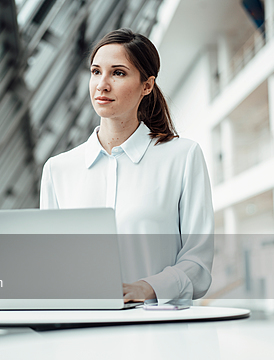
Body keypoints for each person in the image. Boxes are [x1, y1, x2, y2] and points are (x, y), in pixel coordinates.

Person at [40, 28, 214, 303]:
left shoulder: (183, 156)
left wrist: (147, 288)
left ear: (147, 86)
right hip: (80, 332)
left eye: (118, 73)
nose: (102, 84)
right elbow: (50, 264)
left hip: (157, 332)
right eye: (96, 71)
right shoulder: (58, 170)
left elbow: (199, 264)